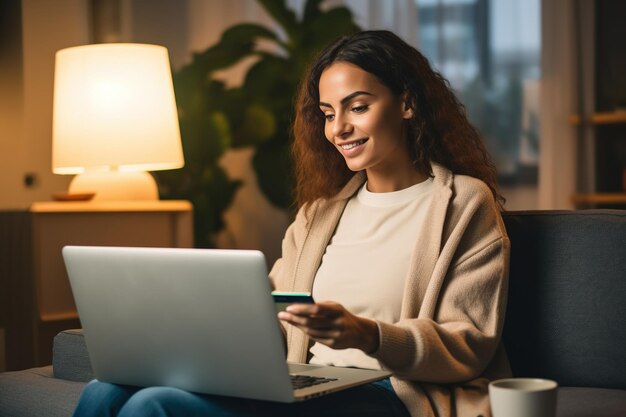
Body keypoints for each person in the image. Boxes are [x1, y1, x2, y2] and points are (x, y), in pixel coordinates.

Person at [72, 30, 511, 417]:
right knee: (106, 389)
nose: (339, 128)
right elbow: (277, 325)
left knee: (155, 407)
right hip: (305, 384)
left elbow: (469, 344)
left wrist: (368, 334)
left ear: (407, 104)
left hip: (389, 394)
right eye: (327, 113)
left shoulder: (463, 204)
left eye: (357, 107)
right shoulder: (318, 214)